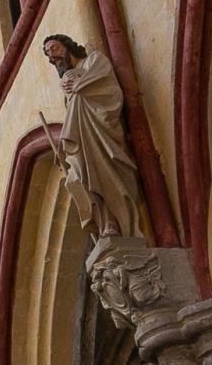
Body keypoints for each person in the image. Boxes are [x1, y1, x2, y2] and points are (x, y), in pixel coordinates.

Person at [42, 33, 142, 239]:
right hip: (81, 141)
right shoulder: (66, 83)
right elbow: (72, 114)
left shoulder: (94, 61)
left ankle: (120, 221)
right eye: (48, 54)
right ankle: (107, 223)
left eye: (54, 48)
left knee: (108, 173)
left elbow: (109, 91)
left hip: (102, 134)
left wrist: (79, 87)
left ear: (67, 45)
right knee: (83, 177)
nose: (52, 57)